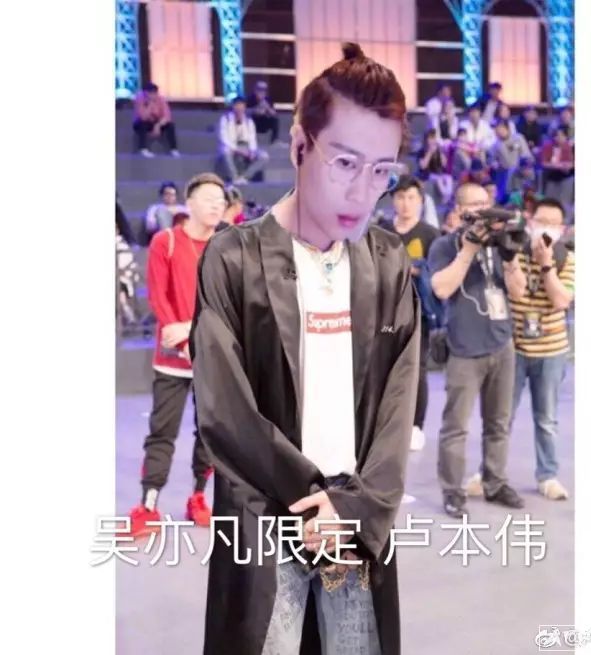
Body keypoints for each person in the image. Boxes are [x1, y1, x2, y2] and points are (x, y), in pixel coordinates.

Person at [191, 42, 419, 655]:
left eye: (382, 171)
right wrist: (307, 497)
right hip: (268, 511)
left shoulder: (387, 262)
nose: (363, 191)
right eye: (345, 162)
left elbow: (400, 402)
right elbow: (223, 406)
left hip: (353, 521)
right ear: (299, 145)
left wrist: (354, 506)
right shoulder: (234, 257)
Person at [124, 172, 227, 540]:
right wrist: (181, 337)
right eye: (209, 198)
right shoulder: (165, 241)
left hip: (212, 357)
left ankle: (198, 497)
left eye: (221, 200)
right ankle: (148, 505)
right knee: (161, 432)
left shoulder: (226, 246)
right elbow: (159, 297)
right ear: (190, 203)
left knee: (210, 434)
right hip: (172, 358)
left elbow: (228, 303)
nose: (217, 205)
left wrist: (191, 331)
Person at [429, 182, 525, 519]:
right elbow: (441, 289)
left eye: (486, 203)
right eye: (474, 206)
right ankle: (453, 491)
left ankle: (495, 482)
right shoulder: (444, 245)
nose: (483, 211)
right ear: (459, 212)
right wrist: (468, 250)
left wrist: (510, 259)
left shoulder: (500, 243)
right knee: (456, 426)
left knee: (499, 422)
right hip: (464, 348)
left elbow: (519, 292)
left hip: (502, 343)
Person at [508, 198, 575, 499]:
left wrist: (547, 264)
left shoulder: (568, 259)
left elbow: (561, 300)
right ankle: (489, 472)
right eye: (541, 221)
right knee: (501, 416)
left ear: (562, 229)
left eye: (553, 224)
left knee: (546, 419)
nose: (546, 228)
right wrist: (514, 258)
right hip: (513, 347)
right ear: (530, 221)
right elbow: (516, 291)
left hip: (551, 350)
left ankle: (547, 475)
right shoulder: (515, 251)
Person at [380, 175, 441, 452]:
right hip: (385, 311)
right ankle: (386, 424)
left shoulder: (430, 234)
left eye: (411, 198)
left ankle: (416, 425)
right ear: (393, 199)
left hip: (420, 312)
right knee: (385, 369)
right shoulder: (381, 231)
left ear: (420, 201)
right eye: (400, 197)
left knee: (418, 369)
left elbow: (436, 272)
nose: (405, 203)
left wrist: (413, 270)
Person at [217, 96, 270, 185]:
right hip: (232, 146)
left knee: (264, 156)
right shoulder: (225, 119)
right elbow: (224, 138)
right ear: (233, 106)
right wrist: (237, 150)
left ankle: (245, 177)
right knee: (225, 152)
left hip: (246, 146)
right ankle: (235, 178)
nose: (239, 108)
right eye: (237, 105)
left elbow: (252, 138)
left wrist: (252, 151)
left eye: (242, 106)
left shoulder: (249, 121)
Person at [489, 119, 533, 204]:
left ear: (507, 128)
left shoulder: (518, 138)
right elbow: (492, 160)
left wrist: (524, 165)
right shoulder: (495, 146)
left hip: (520, 171)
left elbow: (526, 155)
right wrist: (495, 164)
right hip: (504, 173)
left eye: (501, 129)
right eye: (497, 130)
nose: (499, 132)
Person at [132, 82, 180, 158]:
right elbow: (143, 117)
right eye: (149, 93)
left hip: (157, 122)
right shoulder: (139, 99)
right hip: (143, 122)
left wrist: (158, 125)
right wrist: (150, 104)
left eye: (154, 93)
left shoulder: (161, 99)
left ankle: (174, 149)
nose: (152, 95)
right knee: (142, 124)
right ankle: (143, 149)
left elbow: (167, 116)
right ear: (145, 93)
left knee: (170, 125)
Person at [417, 128, 454, 204]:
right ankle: (445, 196)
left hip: (440, 173)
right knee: (439, 179)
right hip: (427, 174)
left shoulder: (439, 150)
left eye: (434, 138)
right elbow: (423, 166)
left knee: (449, 178)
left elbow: (444, 164)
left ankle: (448, 196)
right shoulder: (421, 151)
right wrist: (430, 152)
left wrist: (440, 151)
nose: (433, 140)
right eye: (430, 138)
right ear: (426, 139)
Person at [541, 126, 575, 209]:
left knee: (564, 203)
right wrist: (556, 166)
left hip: (567, 177)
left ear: (566, 137)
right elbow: (543, 163)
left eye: (561, 135)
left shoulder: (571, 147)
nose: (558, 138)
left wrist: (568, 165)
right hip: (552, 176)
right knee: (550, 203)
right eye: (556, 136)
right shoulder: (548, 146)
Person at [246, 80, 283, 145]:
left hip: (263, 122)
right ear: (255, 90)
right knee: (247, 120)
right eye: (259, 90)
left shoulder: (268, 99)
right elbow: (244, 112)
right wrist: (255, 110)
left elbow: (274, 114)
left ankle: (274, 141)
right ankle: (247, 140)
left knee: (275, 119)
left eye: (264, 90)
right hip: (253, 122)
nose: (262, 92)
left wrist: (267, 107)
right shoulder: (250, 98)